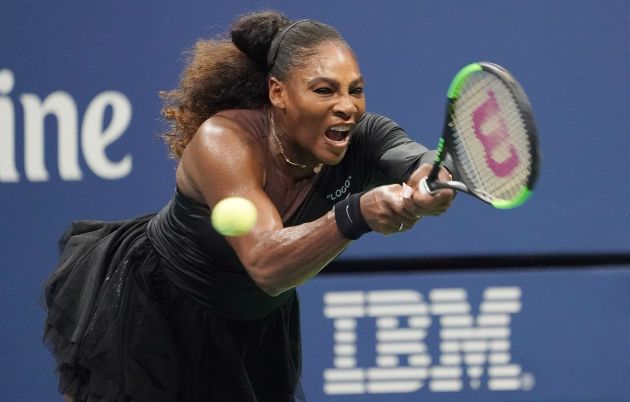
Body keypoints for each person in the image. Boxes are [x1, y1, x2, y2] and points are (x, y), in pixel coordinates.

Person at [42, 10, 456, 402]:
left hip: (255, 330)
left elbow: (421, 159)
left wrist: (427, 181)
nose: (347, 105)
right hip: (152, 314)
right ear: (277, 92)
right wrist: (356, 213)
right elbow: (265, 264)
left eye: (356, 90)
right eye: (324, 90)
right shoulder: (224, 141)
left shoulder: (363, 135)